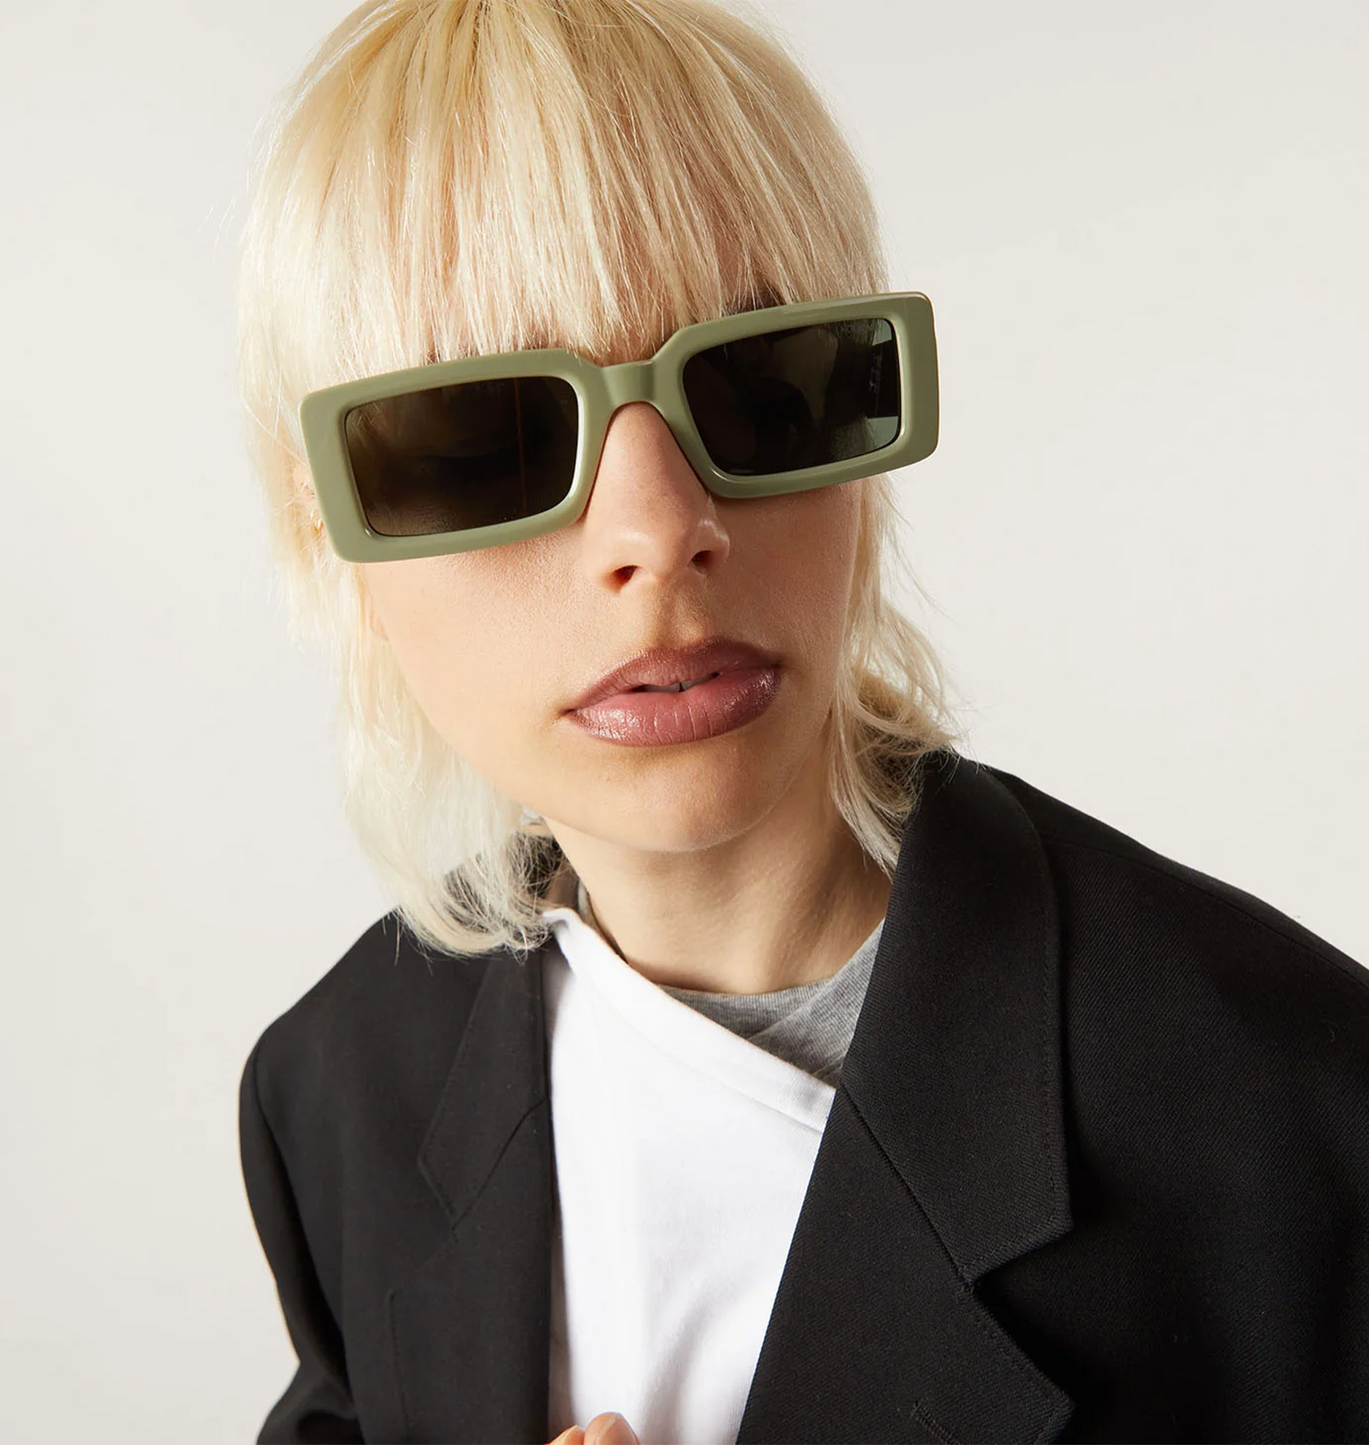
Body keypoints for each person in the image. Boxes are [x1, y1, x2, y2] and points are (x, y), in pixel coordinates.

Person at [232, 0, 1369, 1440]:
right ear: (322, 529)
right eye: (489, 440)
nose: (662, 530)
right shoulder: (338, 1094)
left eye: (762, 389)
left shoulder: (1302, 1126)